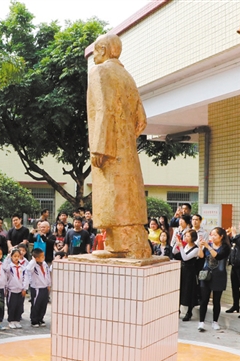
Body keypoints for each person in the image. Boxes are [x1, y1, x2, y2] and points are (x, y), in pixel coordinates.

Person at [87, 33, 152, 259]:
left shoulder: (99, 71)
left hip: (109, 146)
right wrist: (125, 136)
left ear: (104, 50)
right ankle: (122, 243)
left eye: (95, 50)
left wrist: (99, 146)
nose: (94, 56)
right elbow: (141, 121)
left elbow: (103, 108)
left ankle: (121, 244)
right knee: (127, 195)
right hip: (127, 147)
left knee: (112, 194)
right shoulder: (127, 76)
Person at [197, 227, 231, 332]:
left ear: (221, 236)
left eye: (215, 235)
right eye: (212, 235)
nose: (213, 237)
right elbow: (201, 256)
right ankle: (201, 322)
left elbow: (218, 256)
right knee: (204, 300)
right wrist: (200, 247)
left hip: (219, 276)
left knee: (216, 300)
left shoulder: (225, 247)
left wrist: (208, 246)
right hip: (206, 275)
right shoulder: (209, 245)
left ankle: (215, 322)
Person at [173, 229, 199, 321]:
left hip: (190, 272)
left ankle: (189, 312)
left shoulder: (196, 249)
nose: (186, 238)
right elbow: (174, 253)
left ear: (193, 238)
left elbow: (185, 258)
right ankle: (177, 310)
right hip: (182, 270)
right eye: (185, 236)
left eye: (188, 236)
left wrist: (180, 247)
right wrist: (177, 243)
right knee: (180, 289)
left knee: (189, 290)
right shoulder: (185, 245)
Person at [25, 248, 51, 328]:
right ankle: (34, 320)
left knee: (43, 304)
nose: (43, 258)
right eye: (41, 256)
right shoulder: (33, 265)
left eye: (43, 256)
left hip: (44, 287)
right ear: (36, 258)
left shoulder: (44, 264)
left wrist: (49, 284)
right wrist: (33, 260)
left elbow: (47, 274)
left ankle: (40, 318)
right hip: (37, 288)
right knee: (36, 304)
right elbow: (28, 269)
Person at [4, 248, 28, 329]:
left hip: (20, 290)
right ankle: (11, 321)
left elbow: (25, 278)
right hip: (12, 290)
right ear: (11, 256)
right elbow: (4, 266)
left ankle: (17, 320)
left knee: (19, 306)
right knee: (12, 306)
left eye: (18, 256)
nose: (16, 258)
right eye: (14, 256)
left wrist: (24, 288)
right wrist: (8, 256)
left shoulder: (22, 268)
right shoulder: (10, 267)